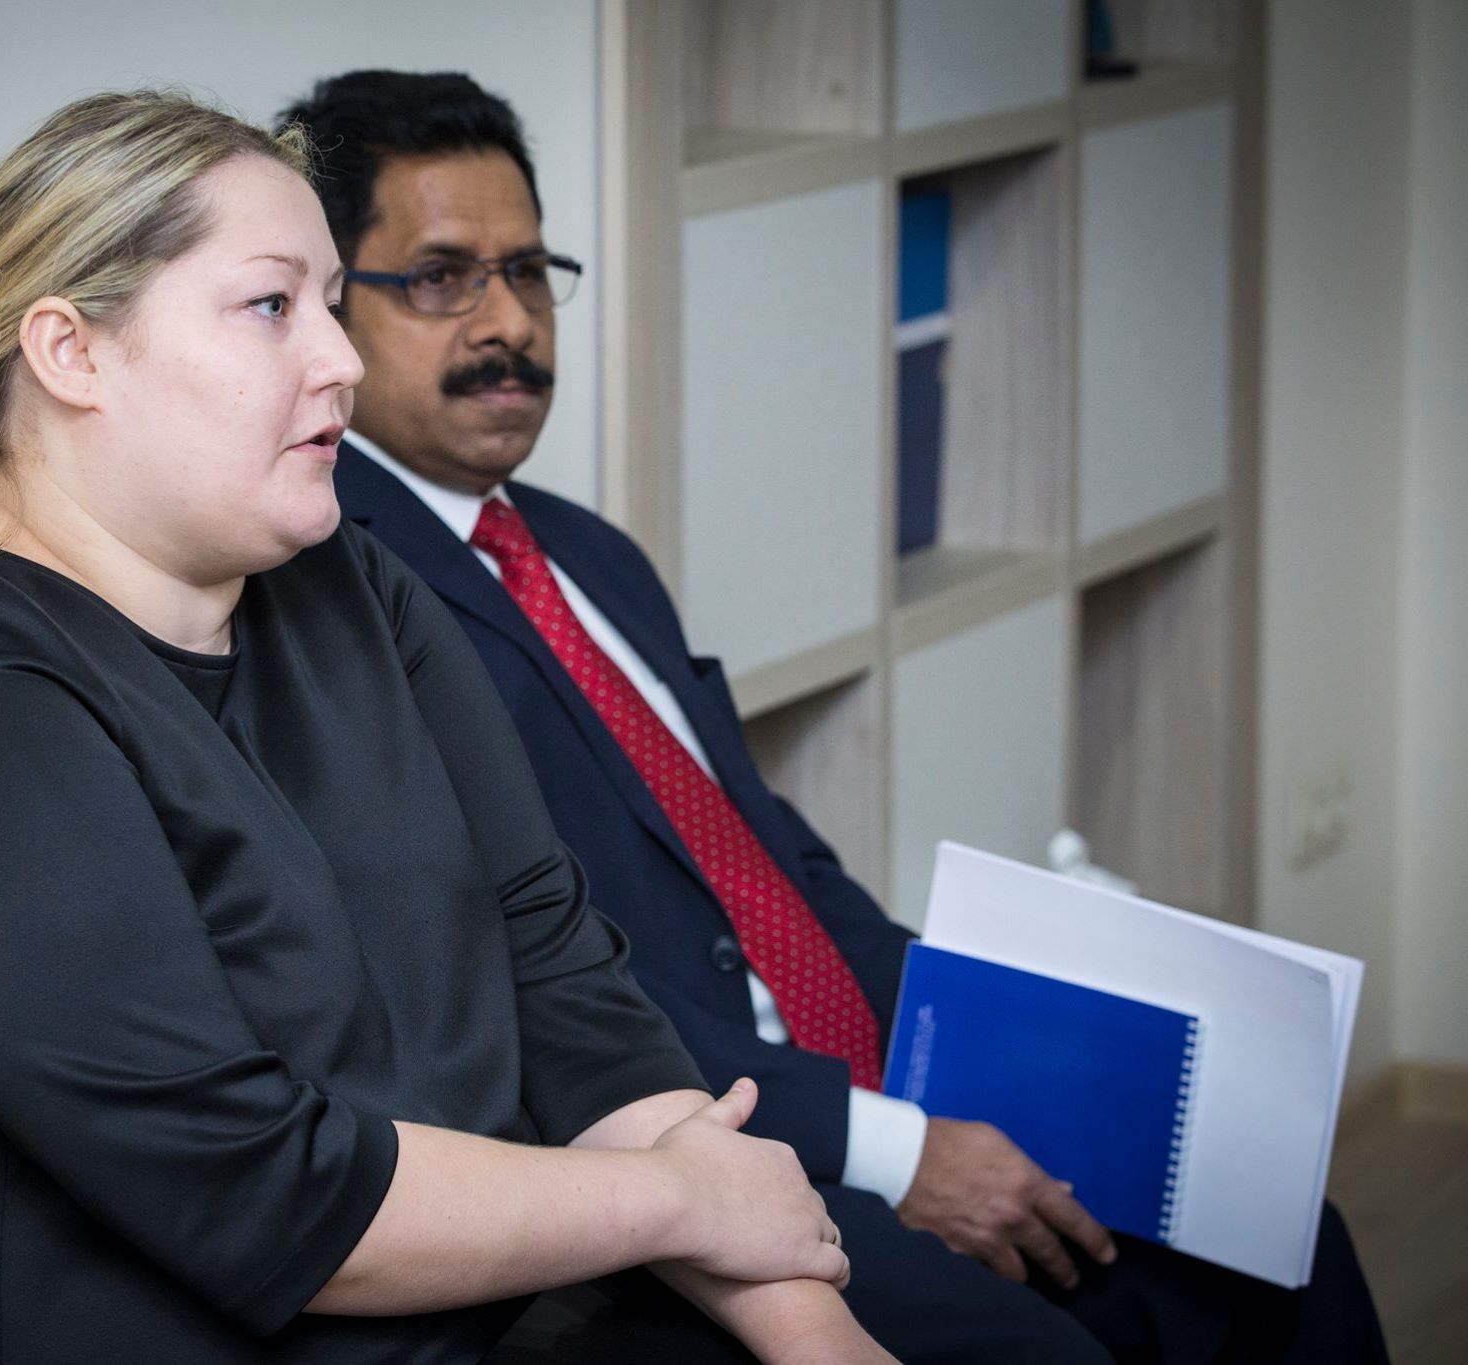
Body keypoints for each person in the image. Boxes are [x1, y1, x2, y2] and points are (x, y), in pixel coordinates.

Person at [0, 91, 897, 1365]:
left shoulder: (349, 583)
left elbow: (559, 989)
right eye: (272, 306)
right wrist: (680, 1202)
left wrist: (810, 1335)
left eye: (329, 301)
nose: (341, 360)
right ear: (71, 353)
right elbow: (268, 1200)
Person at [286, 68, 1390, 1364]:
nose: (509, 323)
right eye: (441, 278)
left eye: (528, 271)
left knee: (1286, 1256)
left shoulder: (584, 552)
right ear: (332, 310)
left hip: (862, 1078)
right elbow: (525, 995)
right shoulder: (349, 606)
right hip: (697, 1145)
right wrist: (900, 1148)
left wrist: (983, 1036)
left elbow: (769, 855)